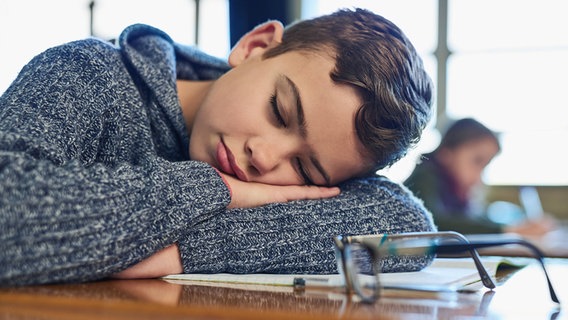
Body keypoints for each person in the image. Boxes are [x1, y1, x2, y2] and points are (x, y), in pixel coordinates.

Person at [0, 8, 435, 286]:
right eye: (279, 111)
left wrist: (181, 253)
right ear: (255, 46)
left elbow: (410, 231)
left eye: (304, 171)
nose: (264, 157)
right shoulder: (88, 74)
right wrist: (216, 189)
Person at [404, 118, 555, 235]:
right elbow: (436, 221)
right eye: (477, 161)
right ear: (447, 153)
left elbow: (469, 218)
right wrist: (507, 230)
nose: (479, 176)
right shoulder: (425, 175)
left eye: (484, 166)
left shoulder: (453, 187)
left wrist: (518, 226)